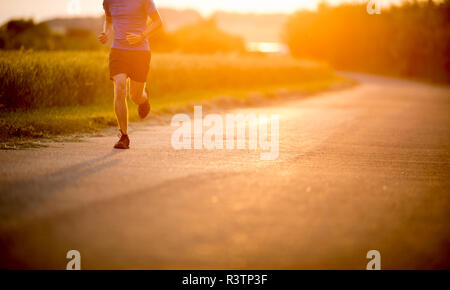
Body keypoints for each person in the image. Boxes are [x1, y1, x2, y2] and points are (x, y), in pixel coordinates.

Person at [98, 0, 163, 149]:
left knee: (135, 96)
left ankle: (143, 98)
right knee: (120, 87)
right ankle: (124, 135)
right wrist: (106, 33)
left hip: (140, 52)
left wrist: (142, 36)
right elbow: (108, 21)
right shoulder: (108, 1)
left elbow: (158, 22)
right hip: (118, 51)